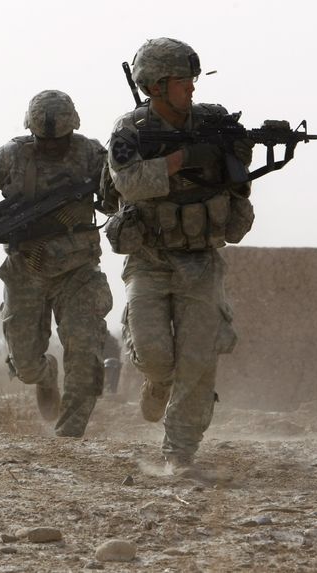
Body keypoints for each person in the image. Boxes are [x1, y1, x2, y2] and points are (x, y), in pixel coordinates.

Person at [104, 38, 254, 469]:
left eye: (192, 78)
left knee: (198, 360)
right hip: (149, 260)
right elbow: (129, 183)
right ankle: (156, 381)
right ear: (154, 86)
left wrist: (235, 149)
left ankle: (179, 452)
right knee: (154, 354)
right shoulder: (129, 130)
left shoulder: (214, 120)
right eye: (182, 80)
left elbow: (239, 167)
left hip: (201, 260)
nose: (192, 87)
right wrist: (184, 157)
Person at [0, 90, 112, 437]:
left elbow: (119, 191)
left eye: (60, 139)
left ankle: (69, 434)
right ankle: (44, 375)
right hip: (26, 266)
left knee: (85, 349)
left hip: (78, 270)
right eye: (44, 140)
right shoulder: (12, 155)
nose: (53, 146)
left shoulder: (91, 153)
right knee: (24, 364)